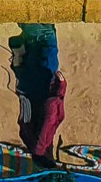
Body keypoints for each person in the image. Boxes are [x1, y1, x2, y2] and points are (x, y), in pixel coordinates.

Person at [11, 23, 65, 167]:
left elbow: (50, 114)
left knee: (45, 37)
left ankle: (34, 22)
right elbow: (25, 113)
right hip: (27, 85)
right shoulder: (27, 137)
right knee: (33, 41)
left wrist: (60, 90)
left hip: (41, 85)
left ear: (50, 158)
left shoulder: (40, 146)